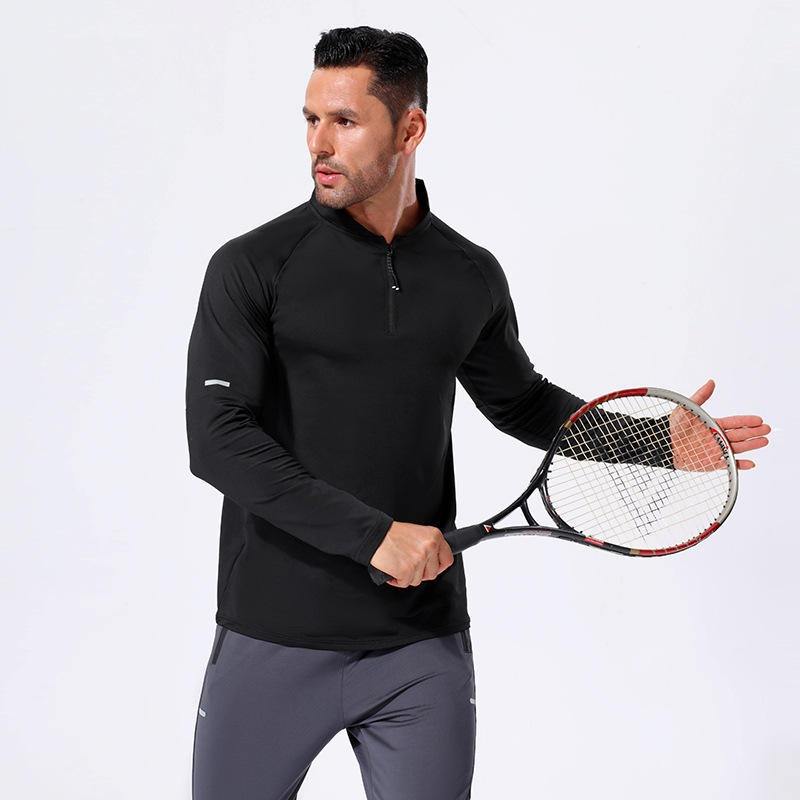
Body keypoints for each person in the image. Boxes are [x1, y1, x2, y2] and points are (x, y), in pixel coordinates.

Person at [185, 26, 771, 800]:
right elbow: (218, 441)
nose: (318, 144)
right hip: (272, 635)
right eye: (311, 119)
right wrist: (374, 536)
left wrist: (653, 444)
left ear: (410, 129)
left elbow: (520, 400)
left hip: (418, 646)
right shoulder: (252, 266)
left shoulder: (467, 275)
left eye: (345, 121)